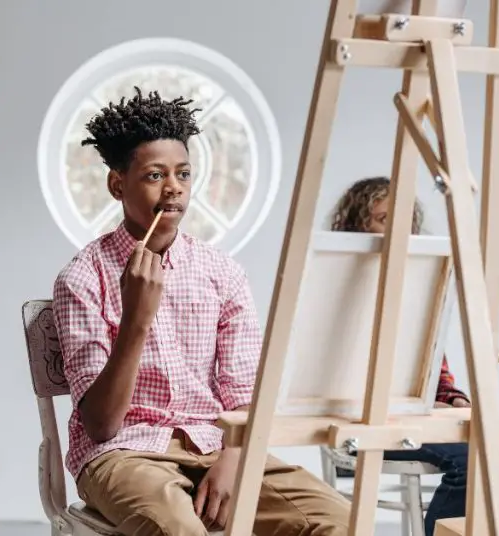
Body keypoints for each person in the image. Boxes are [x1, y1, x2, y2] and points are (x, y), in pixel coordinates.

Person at [52, 88, 351, 536]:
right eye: (155, 175)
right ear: (118, 184)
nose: (174, 187)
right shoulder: (81, 278)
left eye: (183, 174)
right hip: (123, 454)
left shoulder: (222, 272)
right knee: (181, 530)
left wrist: (233, 458)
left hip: (217, 446)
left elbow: (244, 393)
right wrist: (136, 319)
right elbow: (100, 426)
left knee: (339, 520)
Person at [331, 176, 499, 535]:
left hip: (421, 415)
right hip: (363, 422)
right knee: (478, 465)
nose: (402, 229)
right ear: (356, 224)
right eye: (386, 219)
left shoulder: (415, 286)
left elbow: (435, 368)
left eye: (408, 220)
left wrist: (456, 400)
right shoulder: (333, 287)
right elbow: (329, 381)